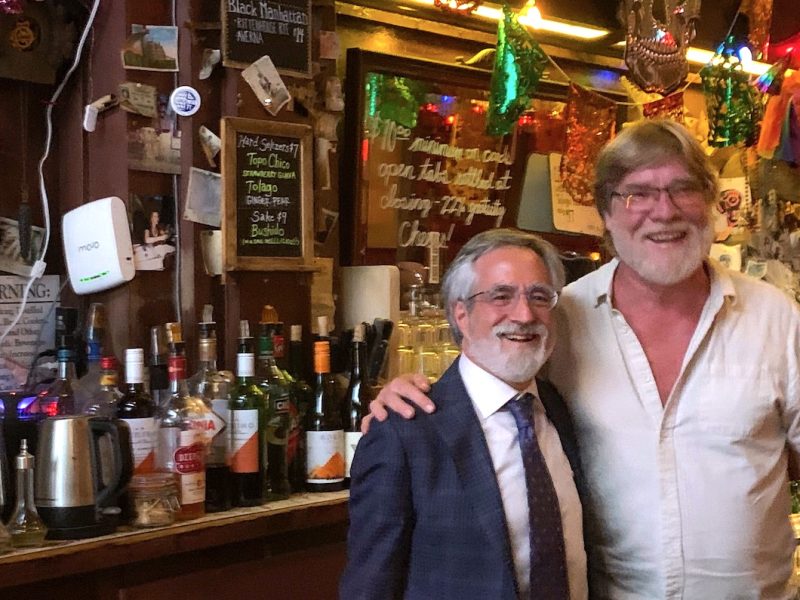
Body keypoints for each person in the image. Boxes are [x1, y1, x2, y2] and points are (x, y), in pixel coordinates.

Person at [370, 119, 800, 599]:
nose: (664, 211)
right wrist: (408, 389)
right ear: (606, 214)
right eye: (637, 194)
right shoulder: (562, 317)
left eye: (683, 188)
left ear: (713, 202)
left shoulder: (776, 318)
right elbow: (487, 380)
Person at [339, 229, 588, 599]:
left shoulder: (558, 407)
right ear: (461, 314)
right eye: (500, 296)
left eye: (539, 296)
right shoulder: (403, 432)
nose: (523, 314)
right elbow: (369, 586)